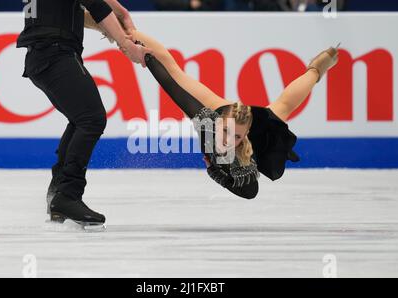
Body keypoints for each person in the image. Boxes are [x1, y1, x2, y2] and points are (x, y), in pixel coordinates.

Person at [86, 2, 339, 200]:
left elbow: (250, 192)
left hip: (253, 139)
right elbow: (170, 77)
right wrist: (130, 42)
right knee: (172, 67)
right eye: (227, 132)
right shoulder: (209, 117)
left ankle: (316, 70)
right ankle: (108, 25)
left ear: (245, 136)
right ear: (220, 121)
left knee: (282, 108)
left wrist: (216, 174)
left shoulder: (247, 155)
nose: (229, 139)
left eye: (236, 137)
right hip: (225, 112)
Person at [17, 0, 151, 227]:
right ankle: (68, 195)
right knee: (92, 119)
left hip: (44, 54)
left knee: (80, 120)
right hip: (54, 53)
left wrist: (121, 16)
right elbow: (96, 6)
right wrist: (126, 45)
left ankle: (59, 191)